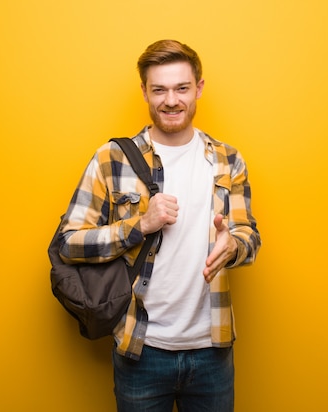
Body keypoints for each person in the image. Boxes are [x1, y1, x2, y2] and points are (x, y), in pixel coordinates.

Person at [58, 39, 261, 412]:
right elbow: (68, 243)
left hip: (212, 349)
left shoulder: (228, 160)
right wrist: (139, 225)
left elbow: (250, 236)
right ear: (144, 92)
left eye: (182, 88)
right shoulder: (112, 158)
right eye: (160, 90)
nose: (171, 100)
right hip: (141, 349)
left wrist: (234, 246)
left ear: (198, 87)